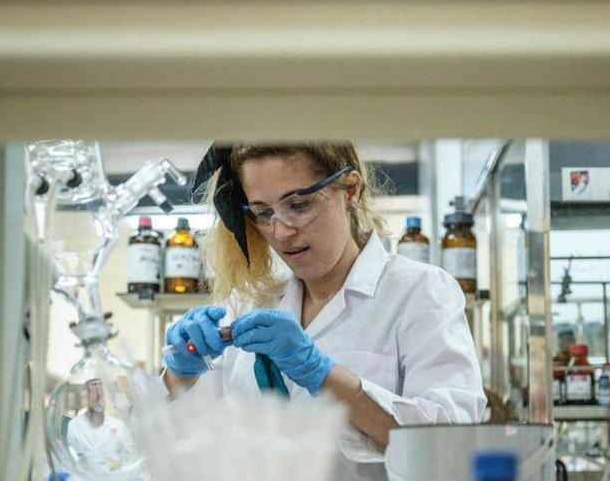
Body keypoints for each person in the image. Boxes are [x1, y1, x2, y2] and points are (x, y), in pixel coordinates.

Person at [161, 142, 486, 480]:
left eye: (298, 204)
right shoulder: (249, 301)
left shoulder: (418, 293)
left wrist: (324, 375)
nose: (281, 231)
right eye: (263, 212)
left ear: (349, 190)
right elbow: (174, 443)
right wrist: (178, 374)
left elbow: (450, 446)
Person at [66, 379, 137, 476]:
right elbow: (72, 457)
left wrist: (119, 466)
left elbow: (131, 455)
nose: (98, 397)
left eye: (101, 395)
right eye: (94, 394)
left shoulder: (118, 426)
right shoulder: (75, 425)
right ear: (86, 397)